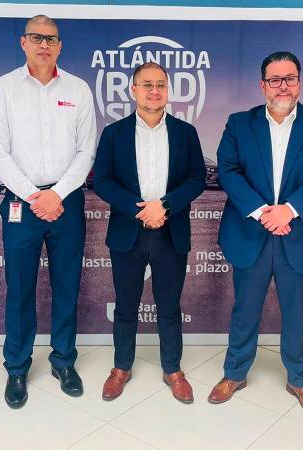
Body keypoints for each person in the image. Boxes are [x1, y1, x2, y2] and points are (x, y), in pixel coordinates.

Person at [209, 51, 303, 416]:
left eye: (290, 78)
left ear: (299, 82)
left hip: (298, 233)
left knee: (297, 312)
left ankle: (299, 380)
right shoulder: (239, 124)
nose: (283, 86)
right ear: (263, 85)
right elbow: (228, 171)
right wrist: (262, 212)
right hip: (251, 232)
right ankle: (234, 374)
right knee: (244, 309)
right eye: (275, 79)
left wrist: (290, 209)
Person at [0, 15, 96, 408]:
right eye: (37, 37)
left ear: (60, 45)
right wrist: (36, 196)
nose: (44, 44)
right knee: (20, 289)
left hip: (67, 201)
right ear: (24, 42)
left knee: (67, 287)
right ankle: (17, 367)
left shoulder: (78, 89)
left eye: (51, 38)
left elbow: (86, 151)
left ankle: (64, 361)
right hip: (21, 201)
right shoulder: (3, 88)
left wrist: (57, 194)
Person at [93, 62, 205, 403]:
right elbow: (102, 180)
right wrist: (140, 209)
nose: (154, 91)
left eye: (160, 85)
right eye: (146, 85)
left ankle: (173, 369)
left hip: (171, 232)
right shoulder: (114, 133)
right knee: (125, 305)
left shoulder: (186, 133)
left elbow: (196, 179)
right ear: (133, 90)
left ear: (168, 90)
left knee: (169, 306)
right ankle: (121, 368)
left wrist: (165, 206)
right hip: (129, 231)